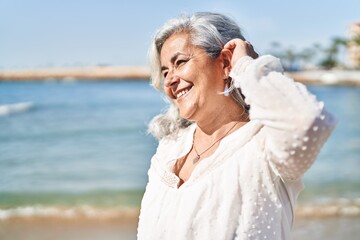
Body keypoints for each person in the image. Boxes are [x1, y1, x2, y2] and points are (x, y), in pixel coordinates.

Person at [137, 12, 336, 240]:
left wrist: (245, 67)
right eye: (164, 72)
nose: (170, 80)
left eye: (180, 62)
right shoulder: (169, 148)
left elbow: (306, 120)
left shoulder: (264, 144)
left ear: (224, 62)